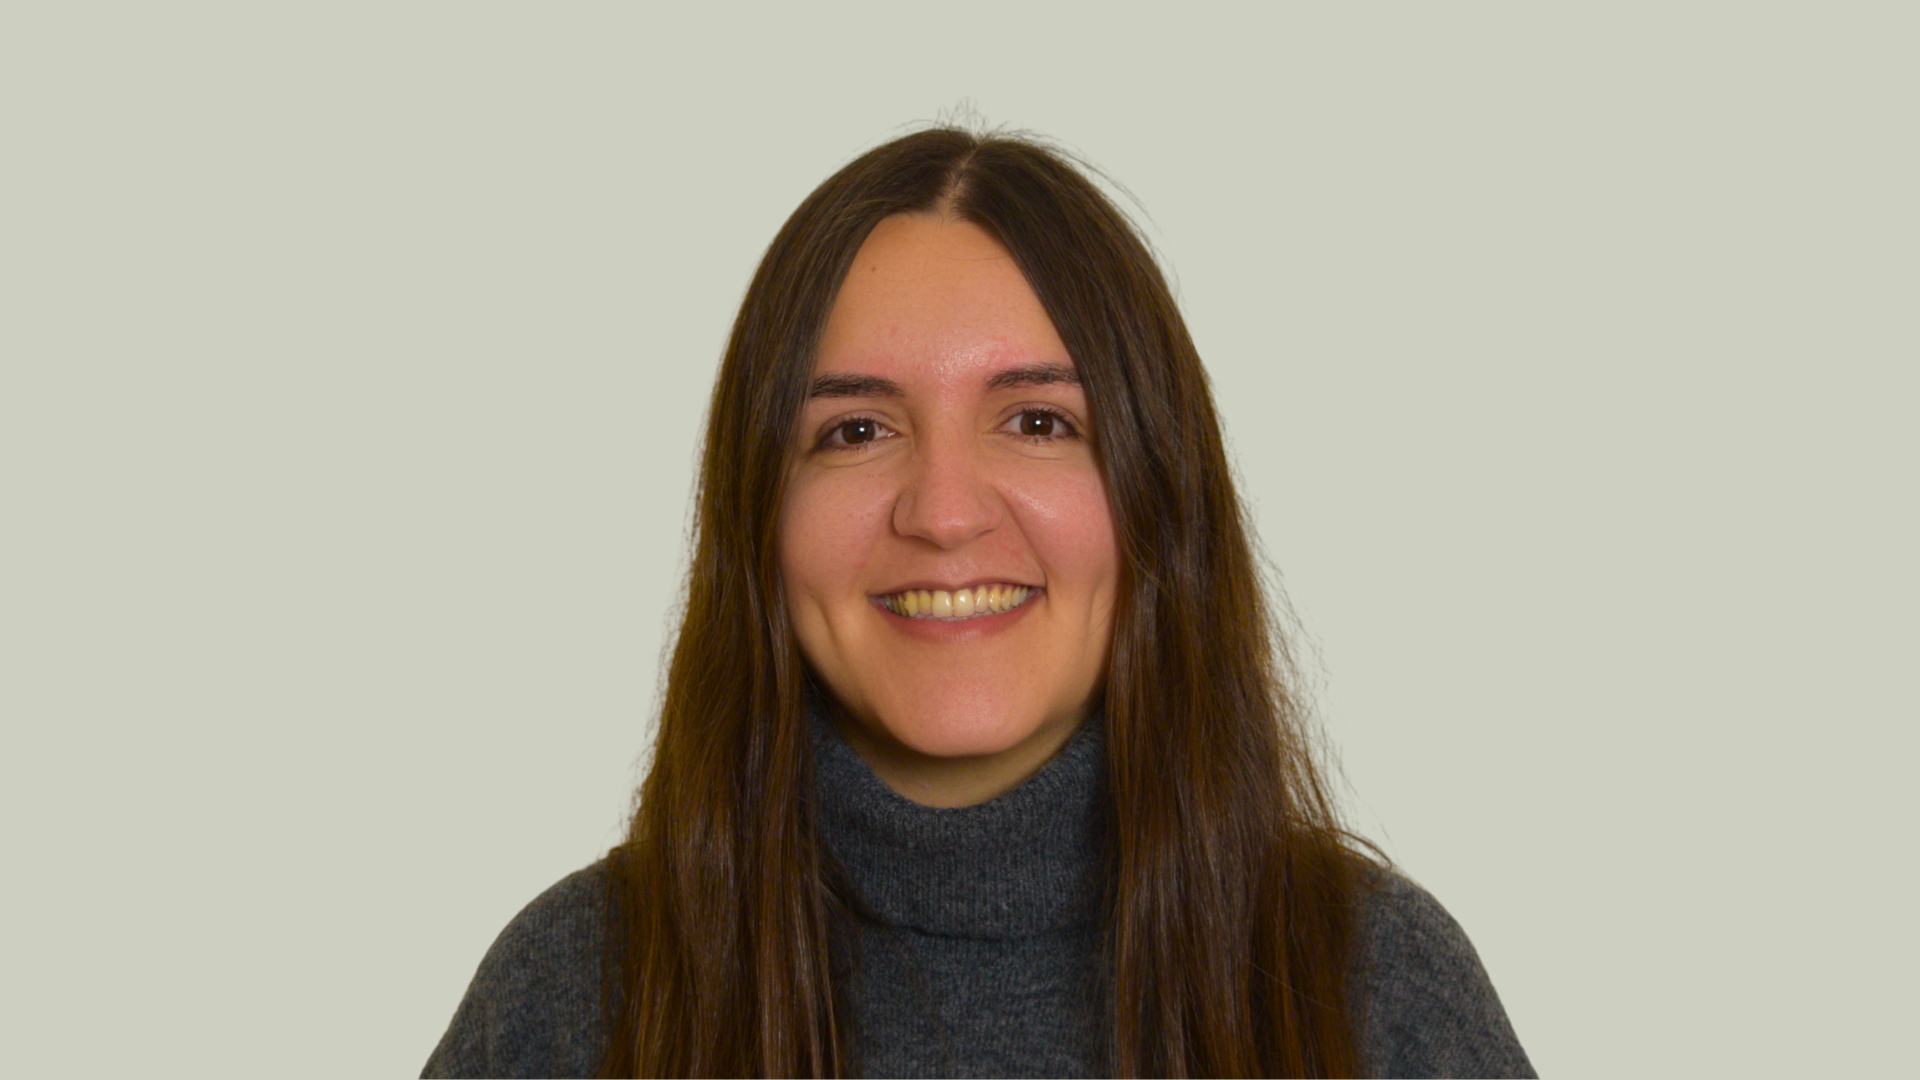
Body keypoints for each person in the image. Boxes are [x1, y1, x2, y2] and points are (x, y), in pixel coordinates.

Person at [422, 126, 1534, 1079]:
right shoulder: (575, 992)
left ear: (1158, 491)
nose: (944, 513)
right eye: (855, 430)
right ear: (759, 513)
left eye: (1038, 421)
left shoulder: (1371, 985)